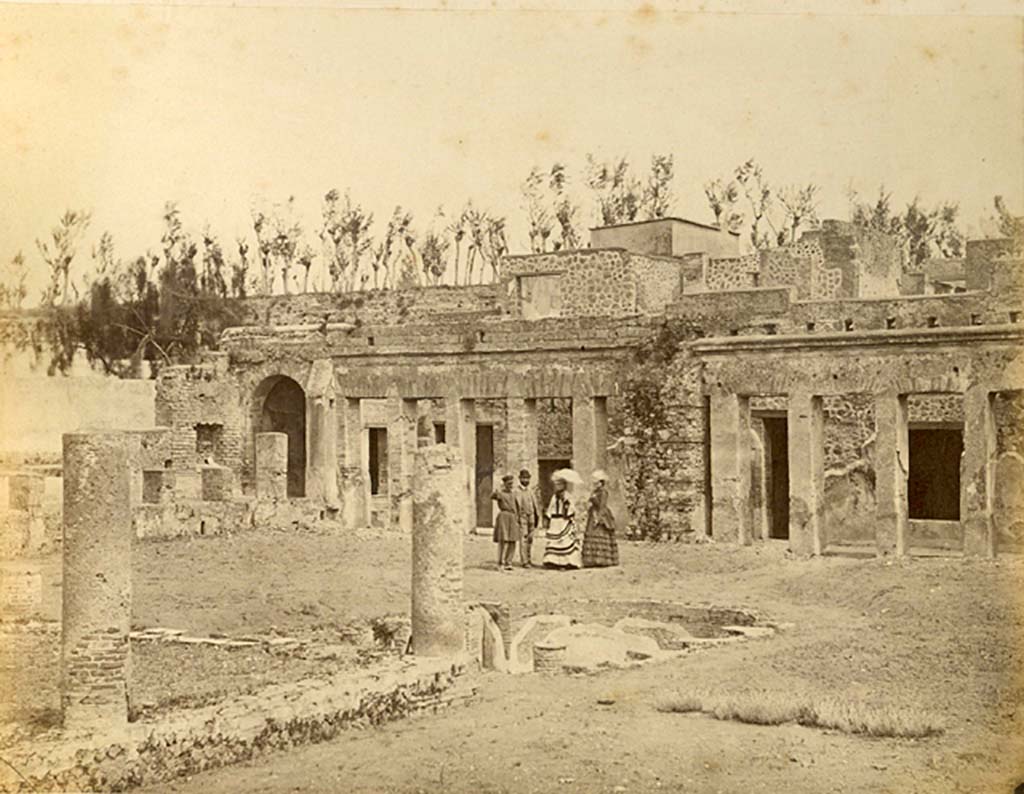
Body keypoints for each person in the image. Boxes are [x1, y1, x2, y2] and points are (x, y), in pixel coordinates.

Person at [542, 471, 582, 570]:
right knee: (554, 541)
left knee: (564, 540)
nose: (557, 487)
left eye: (559, 484)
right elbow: (551, 507)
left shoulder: (568, 496)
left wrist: (565, 503)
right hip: (555, 521)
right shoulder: (554, 497)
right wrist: (548, 517)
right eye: (556, 485)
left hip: (564, 520)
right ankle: (553, 561)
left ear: (564, 485)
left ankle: (567, 562)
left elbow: (572, 508)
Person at [582, 470, 619, 568]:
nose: (595, 484)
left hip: (600, 513)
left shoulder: (604, 492)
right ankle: (592, 559)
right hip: (593, 512)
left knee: (600, 532)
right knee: (591, 533)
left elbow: (602, 505)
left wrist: (598, 517)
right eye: (595, 482)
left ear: (601, 482)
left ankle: (602, 559)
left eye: (597, 482)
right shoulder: (595, 491)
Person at [512, 468, 541, 567]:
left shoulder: (531, 491)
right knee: (523, 539)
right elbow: (515, 507)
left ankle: (529, 559)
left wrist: (537, 517)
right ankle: (524, 561)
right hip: (522, 517)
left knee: (530, 539)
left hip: (532, 517)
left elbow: (535, 505)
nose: (526, 480)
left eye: (527, 478)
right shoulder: (516, 491)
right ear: (520, 479)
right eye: (524, 478)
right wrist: (517, 519)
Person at [491, 474, 519, 571]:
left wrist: (518, 518)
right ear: (505, 484)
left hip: (513, 517)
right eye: (508, 484)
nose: (510, 486)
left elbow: (517, 506)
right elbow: (492, 496)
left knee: (512, 540)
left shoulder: (514, 494)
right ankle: (500, 563)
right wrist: (497, 490)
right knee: (503, 540)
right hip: (504, 517)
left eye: (511, 484)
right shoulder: (500, 493)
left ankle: (508, 562)